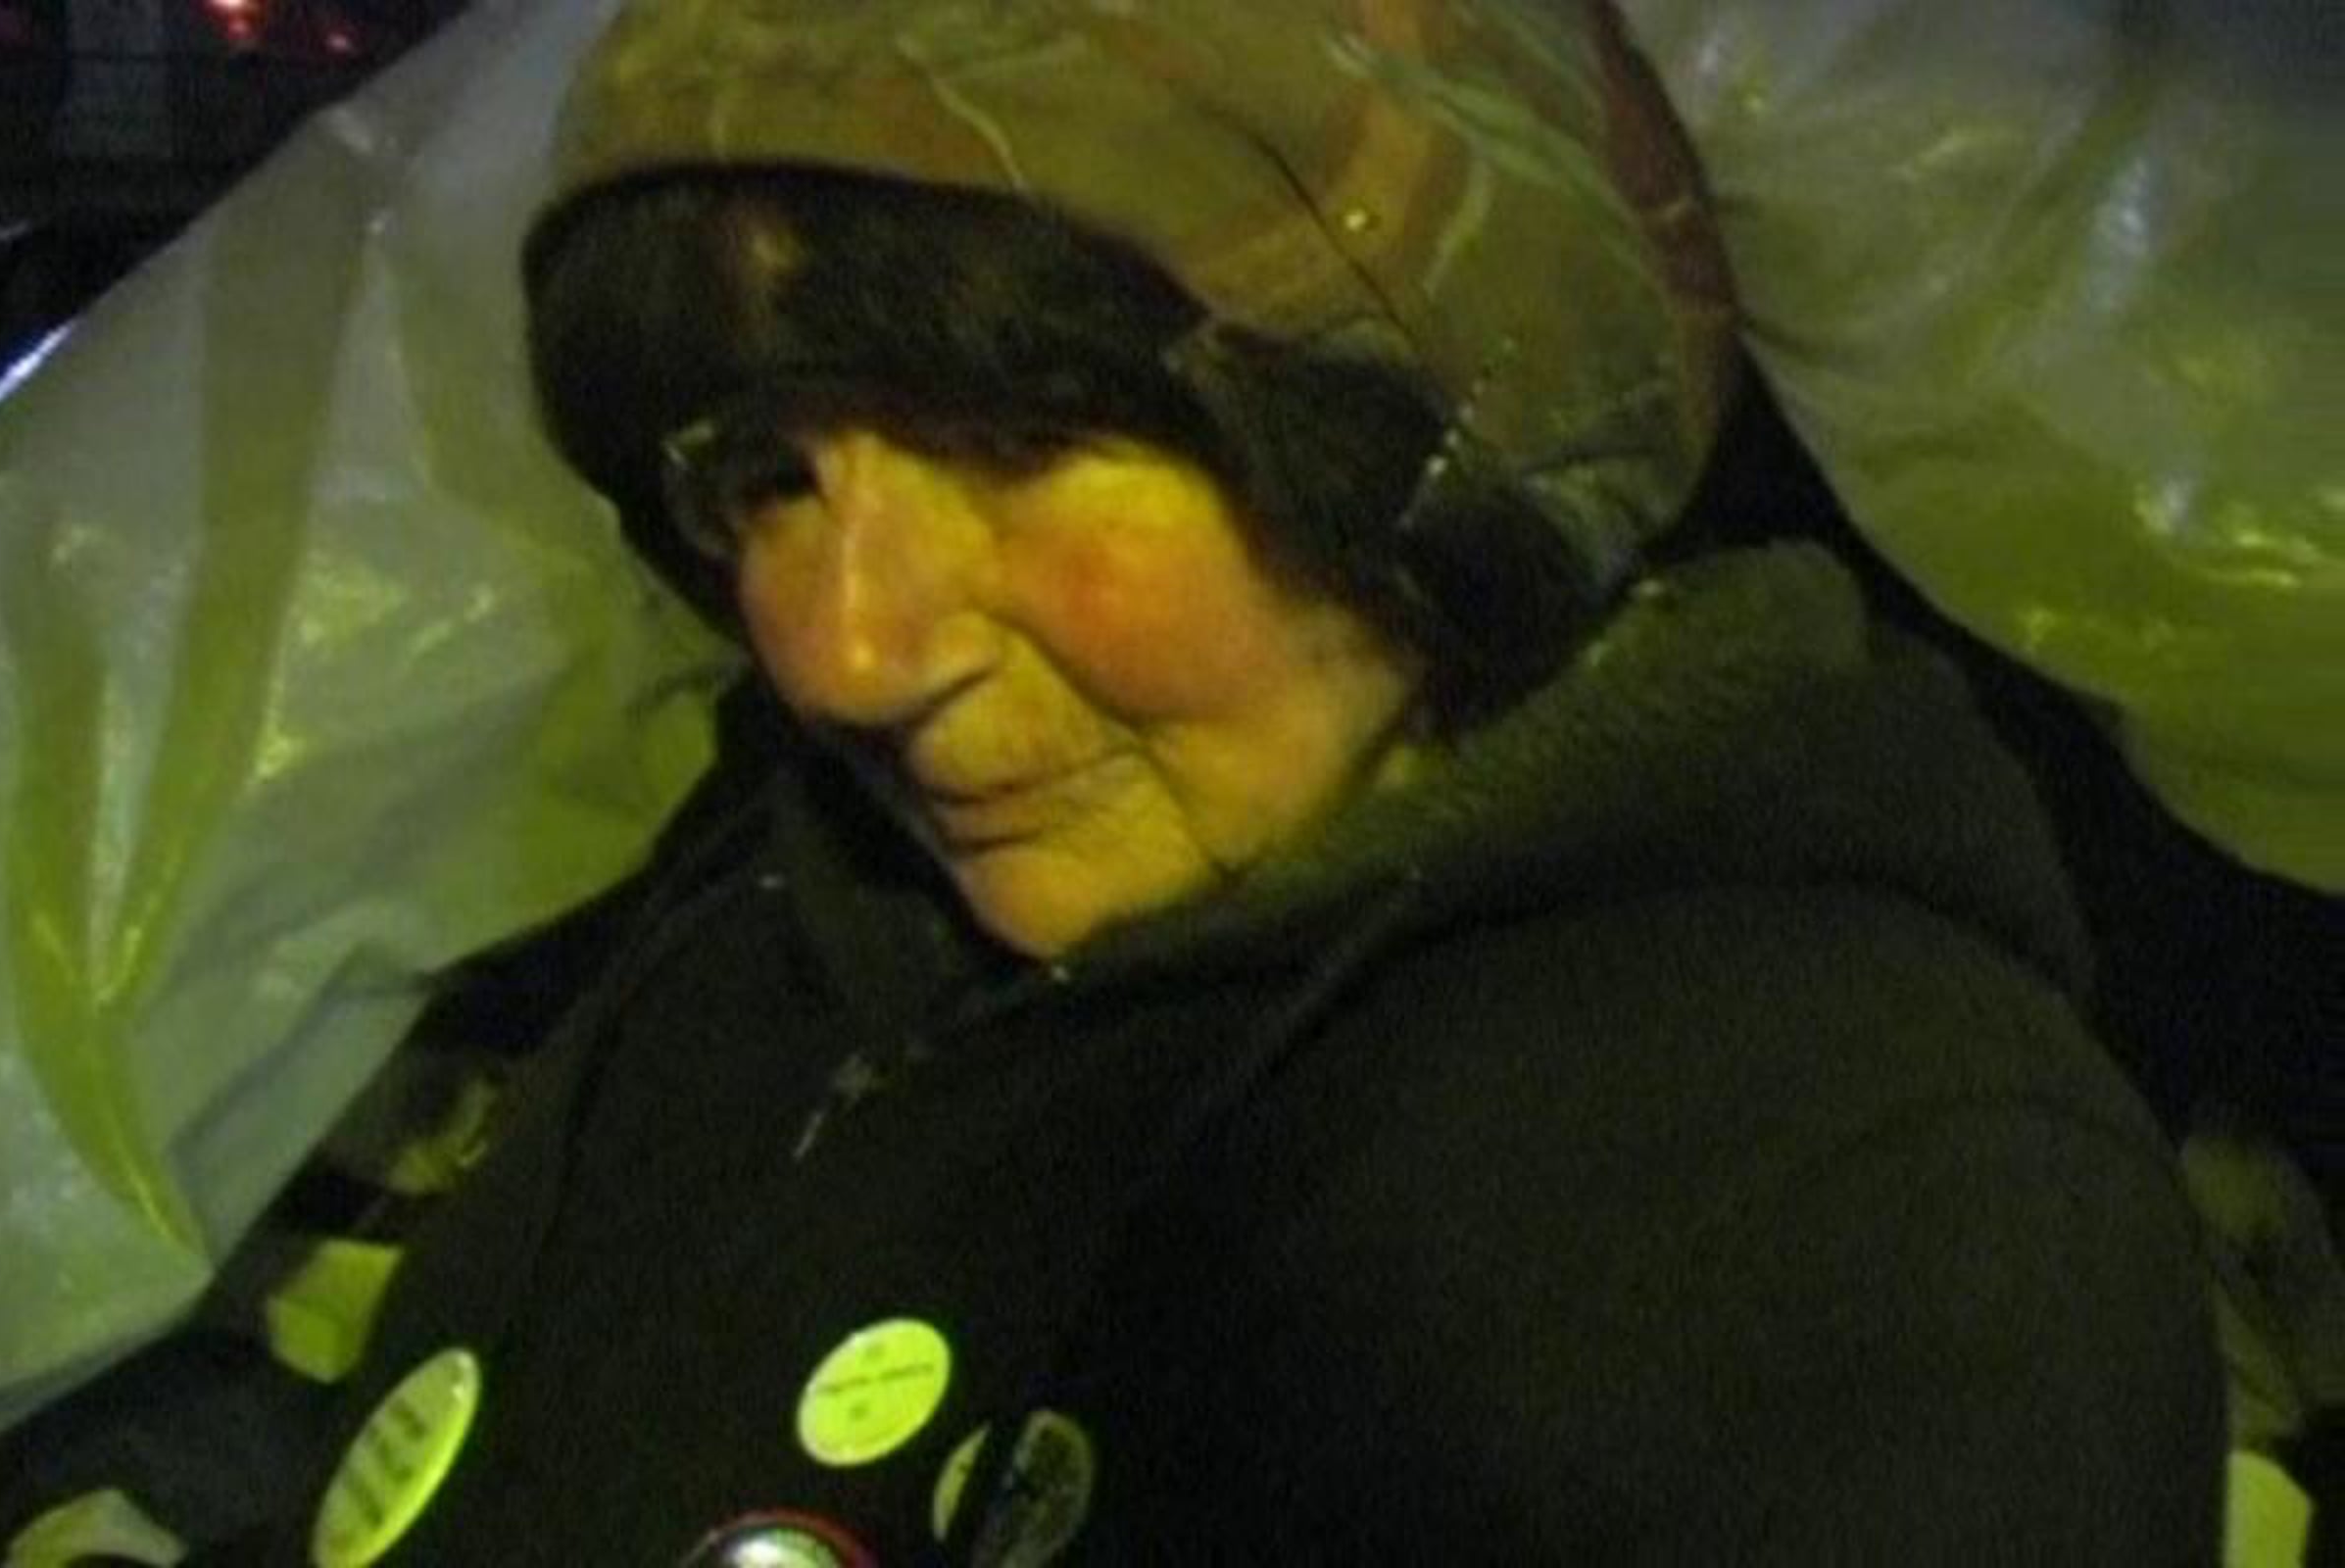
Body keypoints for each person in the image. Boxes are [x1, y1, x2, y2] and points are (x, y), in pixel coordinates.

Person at [190, 0, 2229, 1561]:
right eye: (768, 474)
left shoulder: (1868, 1230)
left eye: (1013, 438)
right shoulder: (778, 930)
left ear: (1450, 444)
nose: (840, 647)